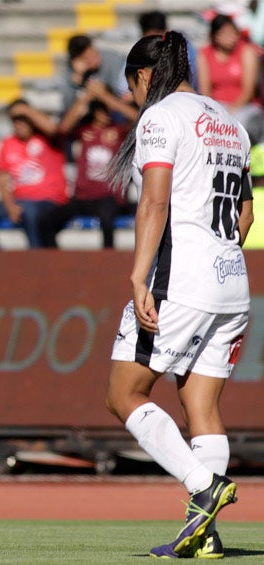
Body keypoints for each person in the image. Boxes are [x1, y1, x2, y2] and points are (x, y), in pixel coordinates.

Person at [105, 32, 249, 559]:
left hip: (181, 280)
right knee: (200, 405)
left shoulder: (161, 116)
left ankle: (202, 485)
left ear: (143, 76)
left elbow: (155, 202)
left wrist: (139, 276)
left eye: (133, 85)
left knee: (124, 394)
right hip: (232, 281)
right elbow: (245, 214)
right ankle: (205, 532)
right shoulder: (230, 123)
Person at [0, 99, 68, 249]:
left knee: (29, 210)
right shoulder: (8, 143)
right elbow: (3, 180)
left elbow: (55, 129)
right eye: (15, 120)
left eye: (24, 120)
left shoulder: (48, 139)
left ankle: (37, 259)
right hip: (20, 201)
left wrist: (25, 110)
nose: (19, 123)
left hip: (48, 201)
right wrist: (9, 206)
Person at [41, 97, 130, 249]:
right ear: (94, 111)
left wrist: (108, 97)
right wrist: (85, 98)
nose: (106, 113)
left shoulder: (119, 131)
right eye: (102, 110)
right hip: (83, 197)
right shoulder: (84, 131)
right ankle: (54, 262)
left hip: (109, 197)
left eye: (109, 110)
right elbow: (62, 128)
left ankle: (108, 262)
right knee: (46, 220)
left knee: (106, 219)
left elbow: (138, 118)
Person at [197, 13, 263, 144]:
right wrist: (216, 113)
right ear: (214, 36)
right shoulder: (204, 54)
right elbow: (205, 92)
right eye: (225, 34)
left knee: (238, 124)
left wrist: (228, 114)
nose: (231, 38)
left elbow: (248, 92)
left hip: (243, 107)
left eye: (233, 33)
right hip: (216, 106)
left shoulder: (247, 52)